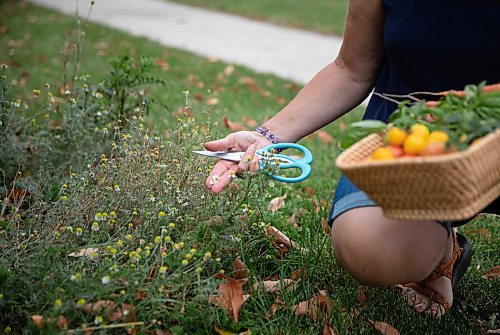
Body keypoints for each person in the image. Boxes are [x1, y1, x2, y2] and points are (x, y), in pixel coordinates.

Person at [203, 0, 500, 317]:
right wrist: (269, 136)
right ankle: (442, 254)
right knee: (367, 245)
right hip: (407, 141)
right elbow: (351, 69)